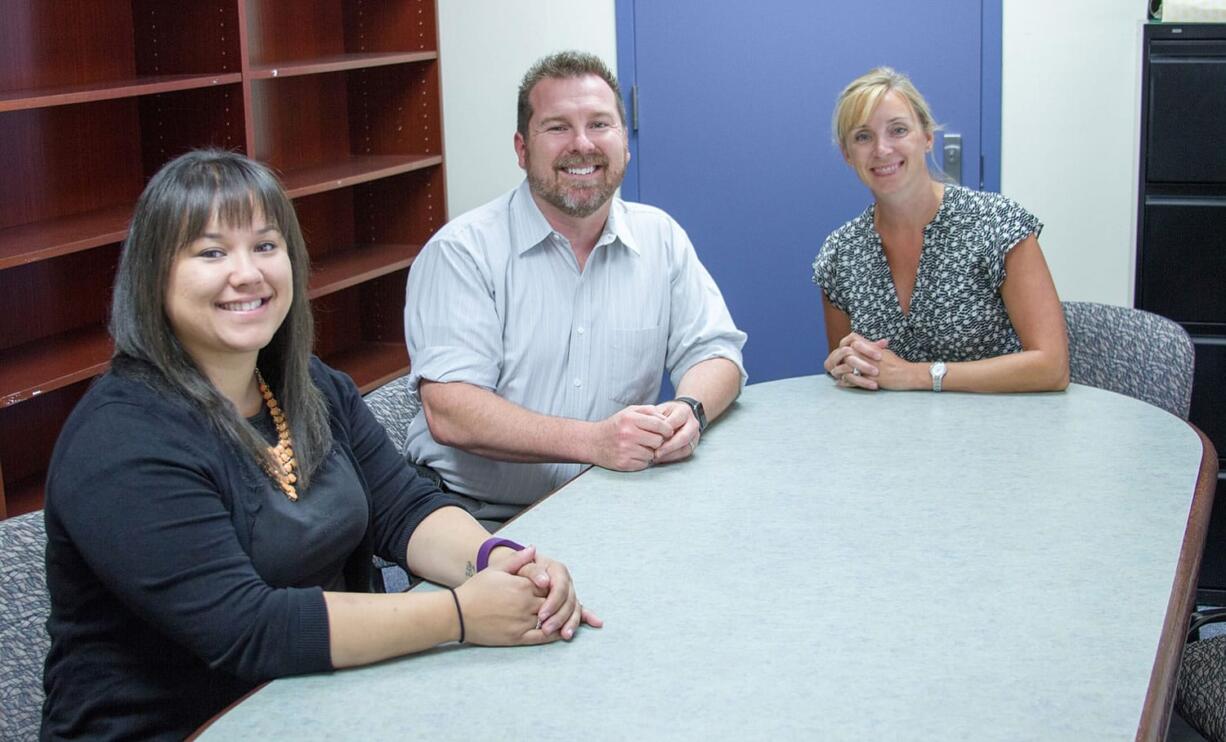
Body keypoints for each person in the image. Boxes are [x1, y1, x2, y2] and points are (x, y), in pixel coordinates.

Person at [41, 150, 600, 740]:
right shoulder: (123, 440)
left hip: (329, 701)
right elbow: (247, 629)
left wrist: (502, 566)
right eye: (211, 252)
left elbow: (404, 509)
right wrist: (461, 614)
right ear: (155, 276)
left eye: (265, 245)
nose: (248, 273)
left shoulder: (306, 386)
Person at [403, 51, 747, 525]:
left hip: (615, 498)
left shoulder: (660, 237)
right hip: (480, 516)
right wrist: (594, 441)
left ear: (625, 143)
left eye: (600, 124)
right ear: (522, 149)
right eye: (558, 127)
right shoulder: (462, 252)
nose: (582, 144)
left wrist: (691, 410)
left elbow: (716, 352)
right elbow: (452, 412)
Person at [812, 67, 1068, 393]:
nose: (882, 149)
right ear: (848, 154)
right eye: (863, 137)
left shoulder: (997, 224)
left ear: (927, 137)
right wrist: (845, 365)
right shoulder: (840, 253)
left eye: (898, 130)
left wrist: (917, 375)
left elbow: (1052, 366)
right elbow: (855, 375)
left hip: (1001, 433)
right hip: (889, 438)